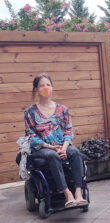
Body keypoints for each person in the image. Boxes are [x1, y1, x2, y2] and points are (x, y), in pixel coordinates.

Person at [24, 73, 88, 208]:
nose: (46, 87)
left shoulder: (62, 109)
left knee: (75, 153)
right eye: (42, 85)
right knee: (52, 155)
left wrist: (64, 147)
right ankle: (67, 194)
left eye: (48, 84)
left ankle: (78, 192)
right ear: (36, 89)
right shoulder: (30, 112)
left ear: (52, 87)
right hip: (42, 148)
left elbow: (69, 131)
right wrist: (51, 147)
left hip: (62, 144)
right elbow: (31, 136)